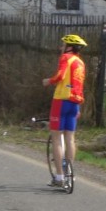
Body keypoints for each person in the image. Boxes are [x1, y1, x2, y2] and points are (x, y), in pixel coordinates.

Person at [42, 34, 88, 188]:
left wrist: (49, 81)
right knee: (70, 138)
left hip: (61, 100)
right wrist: (79, 106)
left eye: (62, 45)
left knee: (56, 138)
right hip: (75, 101)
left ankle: (60, 177)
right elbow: (79, 84)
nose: (60, 48)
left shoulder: (66, 58)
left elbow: (60, 75)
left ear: (69, 46)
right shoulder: (80, 62)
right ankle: (70, 174)